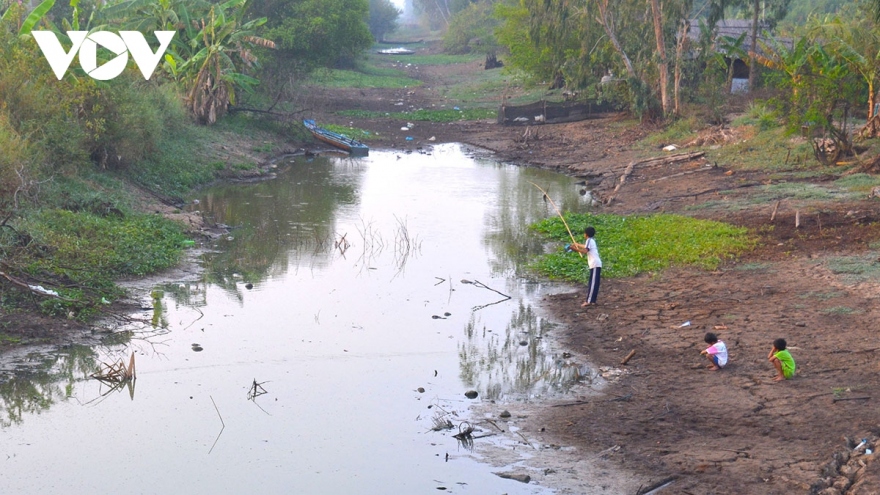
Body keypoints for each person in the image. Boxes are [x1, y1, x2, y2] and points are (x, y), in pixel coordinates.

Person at [569, 226, 602, 307]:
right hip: (596, 264)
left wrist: (575, 249)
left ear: (586, 234)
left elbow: (585, 251)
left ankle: (588, 301)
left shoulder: (589, 240)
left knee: (593, 283)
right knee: (594, 283)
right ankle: (593, 301)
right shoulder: (591, 240)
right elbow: (585, 246)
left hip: (594, 264)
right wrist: (577, 244)